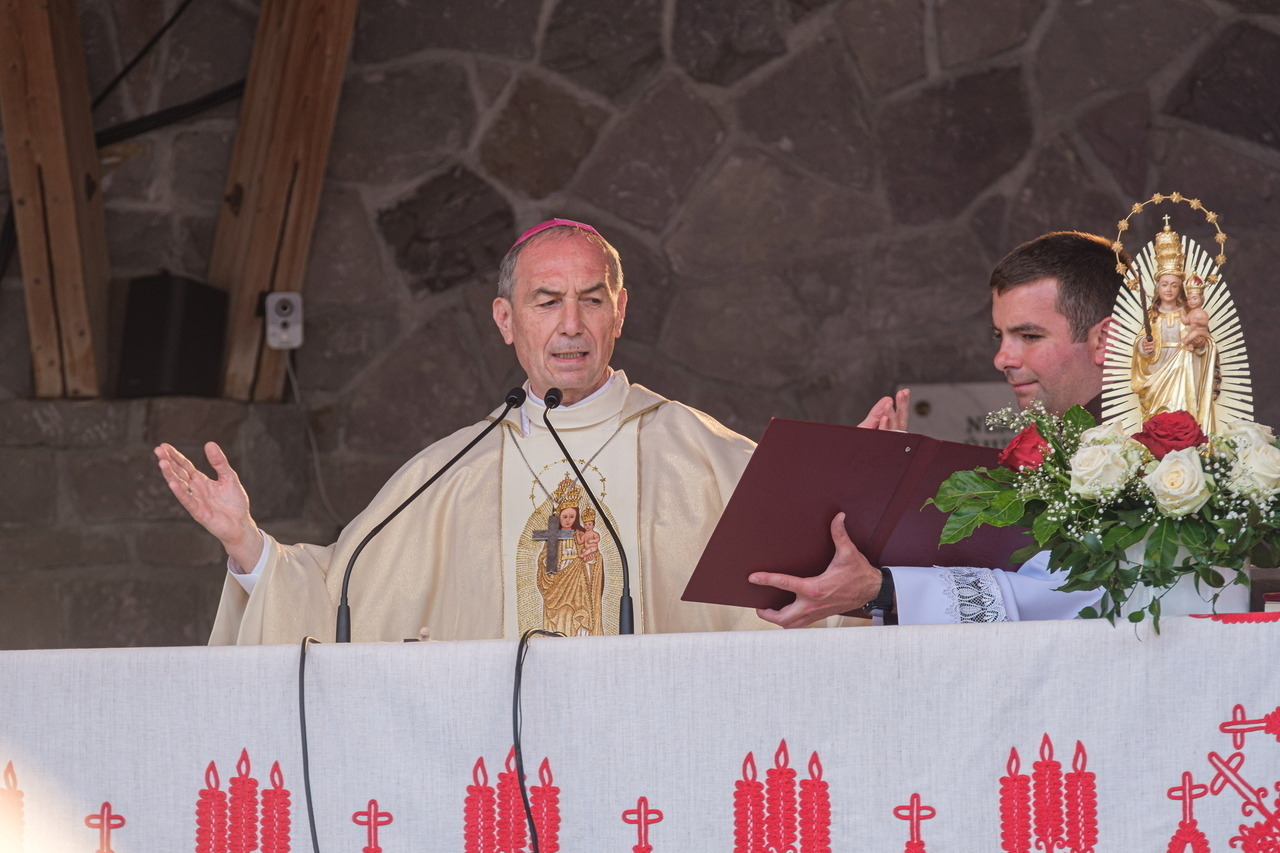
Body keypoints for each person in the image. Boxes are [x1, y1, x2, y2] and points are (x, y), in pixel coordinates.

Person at [155, 219, 790, 643]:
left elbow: (817, 591)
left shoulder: (702, 456)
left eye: (591, 300)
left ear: (618, 313)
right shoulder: (452, 472)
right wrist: (248, 546)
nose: (571, 324)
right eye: (547, 302)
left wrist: (847, 493)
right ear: (506, 319)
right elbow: (336, 603)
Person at [749, 231, 1127, 627]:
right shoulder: (1054, 442)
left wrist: (882, 590)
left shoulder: (1150, 451)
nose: (1001, 358)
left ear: (1105, 339)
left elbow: (1077, 594)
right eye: (1000, 336)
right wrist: (874, 491)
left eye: (1029, 336)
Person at [1131, 224, 1218, 431]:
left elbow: (1206, 342)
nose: (1168, 289)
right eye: (1164, 284)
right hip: (1157, 372)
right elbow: (1140, 343)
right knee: (1158, 423)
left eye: (1173, 285)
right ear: (1157, 287)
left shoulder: (1188, 315)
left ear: (1180, 288)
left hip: (1185, 373)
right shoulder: (1152, 317)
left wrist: (1201, 346)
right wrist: (1143, 346)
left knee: (1183, 418)